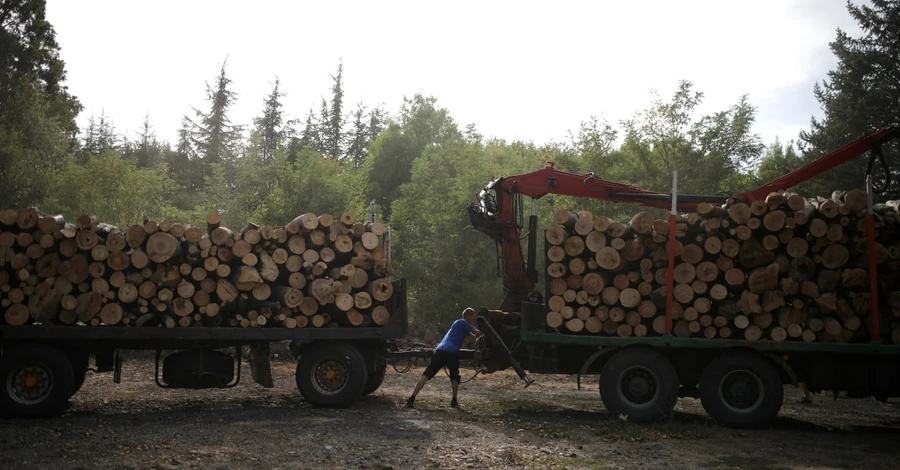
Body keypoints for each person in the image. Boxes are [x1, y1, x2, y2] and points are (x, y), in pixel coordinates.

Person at [405, 307, 480, 409]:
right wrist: (487, 333)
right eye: (473, 317)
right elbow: (477, 333)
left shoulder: (461, 327)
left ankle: (411, 399)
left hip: (440, 351)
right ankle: (454, 401)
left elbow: (474, 337)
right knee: (454, 377)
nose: (474, 320)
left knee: (427, 374)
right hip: (451, 353)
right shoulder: (461, 322)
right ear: (468, 316)